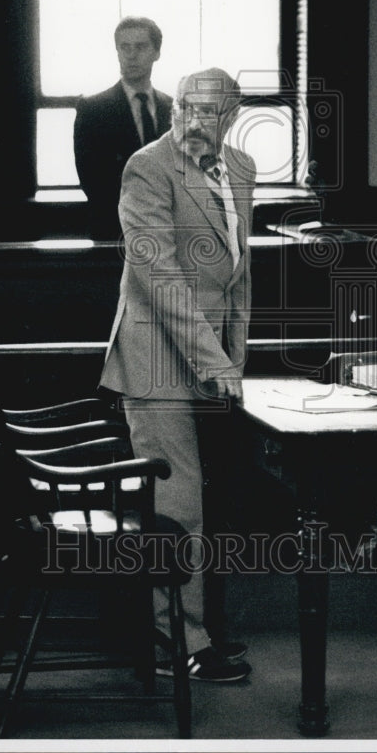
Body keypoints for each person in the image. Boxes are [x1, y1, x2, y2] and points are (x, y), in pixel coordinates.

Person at [100, 67, 256, 683]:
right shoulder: (147, 167)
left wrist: (235, 357)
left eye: (209, 112)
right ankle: (179, 646)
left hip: (209, 360)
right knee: (179, 507)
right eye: (184, 108)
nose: (193, 121)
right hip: (156, 358)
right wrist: (215, 362)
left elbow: (239, 271)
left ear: (233, 116)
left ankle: (197, 630)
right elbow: (157, 277)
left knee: (212, 502)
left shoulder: (240, 168)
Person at [73, 17, 174, 239]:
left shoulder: (173, 107)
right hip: (114, 231)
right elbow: (92, 181)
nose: (131, 55)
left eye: (140, 46)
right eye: (124, 47)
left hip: (168, 229)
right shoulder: (93, 109)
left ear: (157, 52)